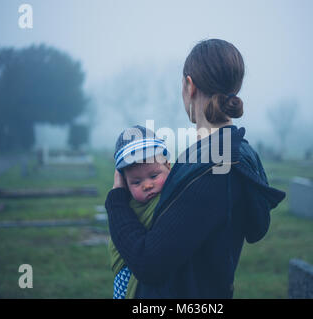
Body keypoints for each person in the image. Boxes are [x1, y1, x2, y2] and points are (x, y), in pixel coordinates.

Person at [105, 39, 286, 298]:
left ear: (189, 86)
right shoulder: (229, 152)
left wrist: (116, 201)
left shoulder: (214, 169)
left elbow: (150, 264)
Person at [108, 125, 171, 299]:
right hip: (127, 276)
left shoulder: (173, 199)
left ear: (168, 166)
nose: (147, 185)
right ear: (124, 184)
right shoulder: (126, 207)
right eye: (136, 182)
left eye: (154, 176)